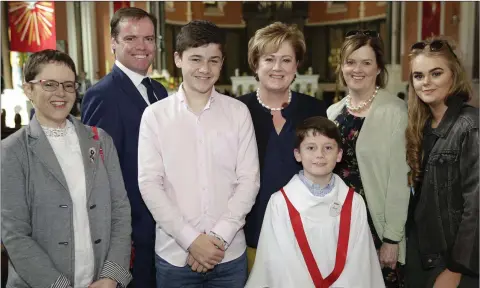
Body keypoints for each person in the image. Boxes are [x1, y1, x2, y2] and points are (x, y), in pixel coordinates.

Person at [138, 20, 260, 288]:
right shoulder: (155, 116)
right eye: (196, 59)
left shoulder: (238, 113)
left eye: (213, 60)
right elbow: (149, 184)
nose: (205, 69)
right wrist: (191, 240)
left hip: (228, 256)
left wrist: (217, 238)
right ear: (178, 59)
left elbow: (249, 180)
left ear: (222, 63)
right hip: (175, 257)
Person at [2, 49, 132, 288]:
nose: (60, 93)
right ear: (29, 89)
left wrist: (112, 277)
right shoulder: (11, 151)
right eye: (49, 84)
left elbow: (120, 212)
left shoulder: (100, 140)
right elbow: (15, 235)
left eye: (68, 85)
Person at [81, 7, 168, 287]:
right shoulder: (102, 95)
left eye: (149, 38)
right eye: (131, 38)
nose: (142, 46)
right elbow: (96, 174)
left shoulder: (159, 91)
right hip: (130, 235)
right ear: (113, 43)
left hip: (163, 229)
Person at [246, 116, 383, 287]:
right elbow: (275, 262)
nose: (319, 155)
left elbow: (361, 262)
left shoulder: (354, 202)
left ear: (339, 154)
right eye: (311, 147)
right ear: (297, 154)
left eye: (328, 148)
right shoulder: (280, 203)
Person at [237, 22, 327, 271]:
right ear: (256, 64)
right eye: (269, 59)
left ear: (297, 65)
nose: (277, 68)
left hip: (306, 236)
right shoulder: (235, 110)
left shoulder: (316, 111)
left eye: (286, 60)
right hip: (247, 237)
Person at [327, 30, 410, 287]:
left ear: (378, 68)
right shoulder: (334, 111)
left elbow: (399, 180)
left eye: (366, 62)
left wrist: (392, 238)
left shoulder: (394, 111)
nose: (357, 69)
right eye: (350, 62)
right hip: (338, 225)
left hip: (376, 227)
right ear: (341, 67)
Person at [405, 37, 479, 287]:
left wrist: (456, 267)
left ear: (453, 75)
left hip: (453, 264)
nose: (426, 82)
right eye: (418, 75)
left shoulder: (470, 126)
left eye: (436, 73)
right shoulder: (421, 126)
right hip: (421, 254)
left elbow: (476, 206)